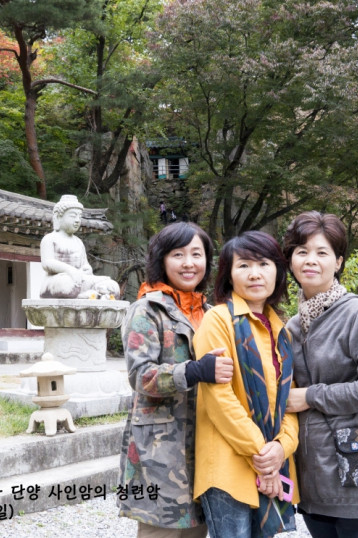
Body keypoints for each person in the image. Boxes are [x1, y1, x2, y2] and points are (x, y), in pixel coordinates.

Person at [282, 211, 358, 538]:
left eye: (322, 252)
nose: (310, 260)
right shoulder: (292, 327)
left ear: (338, 262)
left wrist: (311, 396)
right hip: (313, 474)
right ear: (290, 261)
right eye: (302, 251)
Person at [118, 222, 233, 538]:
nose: (188, 263)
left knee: (198, 528)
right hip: (160, 450)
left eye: (196, 254)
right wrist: (194, 371)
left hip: (205, 444)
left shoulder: (211, 313)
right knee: (161, 530)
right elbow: (141, 377)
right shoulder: (147, 309)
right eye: (178, 254)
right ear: (162, 260)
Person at [192, 231, 300, 538]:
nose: (255, 274)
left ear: (278, 271)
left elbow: (289, 399)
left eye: (264, 264)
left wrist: (281, 447)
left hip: (271, 461)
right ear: (229, 275)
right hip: (227, 465)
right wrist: (264, 456)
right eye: (243, 266)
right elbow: (219, 400)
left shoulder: (281, 330)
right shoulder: (218, 320)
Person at [39, 194, 120, 299]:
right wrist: (70, 270)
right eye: (73, 216)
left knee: (113, 285)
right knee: (66, 283)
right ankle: (88, 295)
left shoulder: (78, 242)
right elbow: (47, 263)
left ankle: (89, 294)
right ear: (59, 217)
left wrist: (87, 269)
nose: (77, 220)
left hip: (80, 279)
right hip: (57, 280)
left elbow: (84, 265)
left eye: (79, 216)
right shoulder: (49, 238)